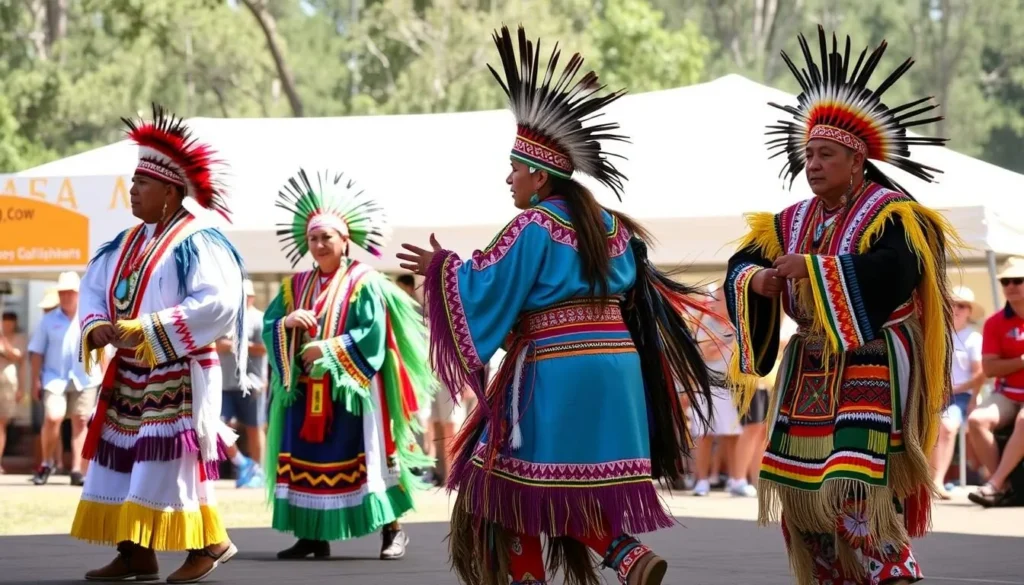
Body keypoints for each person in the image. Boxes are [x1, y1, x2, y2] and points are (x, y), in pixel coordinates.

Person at [398, 25, 715, 585]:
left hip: (556, 365)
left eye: (516, 169)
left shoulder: (534, 227)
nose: (509, 178)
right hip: (615, 365)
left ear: (540, 174)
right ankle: (627, 556)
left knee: (503, 484)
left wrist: (442, 268)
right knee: (570, 481)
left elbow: (487, 286)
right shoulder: (612, 227)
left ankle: (594, 562)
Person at [725, 27, 961, 585]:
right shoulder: (791, 220)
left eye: (825, 154)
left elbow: (894, 274)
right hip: (808, 368)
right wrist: (758, 281)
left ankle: (894, 575)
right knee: (804, 501)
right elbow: (740, 264)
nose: (813, 164)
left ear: (857, 160)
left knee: (855, 489)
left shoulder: (893, 214)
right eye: (807, 154)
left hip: (871, 361)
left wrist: (810, 268)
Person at [71, 104, 248, 583]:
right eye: (131, 184)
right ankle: (135, 552)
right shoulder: (125, 242)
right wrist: (97, 326)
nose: (131, 191)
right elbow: (93, 289)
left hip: (178, 370)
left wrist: (147, 329)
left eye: (141, 184)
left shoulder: (199, 240)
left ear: (170, 191)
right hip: (129, 371)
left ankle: (208, 544)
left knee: (172, 461)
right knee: (120, 458)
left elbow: (218, 302)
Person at [263, 168, 435, 561]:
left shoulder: (365, 281)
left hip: (352, 390)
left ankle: (393, 530)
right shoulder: (294, 287)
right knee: (307, 460)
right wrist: (286, 324)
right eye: (313, 238)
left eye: (327, 237)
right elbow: (270, 323)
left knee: (369, 459)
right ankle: (312, 534)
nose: (320, 244)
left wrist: (328, 350)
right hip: (307, 392)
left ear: (346, 240)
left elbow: (373, 335)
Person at [28, 271, 104, 487]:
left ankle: (77, 470)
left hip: (86, 378)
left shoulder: (90, 317)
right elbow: (36, 352)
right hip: (54, 378)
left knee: (81, 421)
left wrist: (107, 380)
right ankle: (46, 462)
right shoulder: (48, 321)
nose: (66, 297)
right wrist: (35, 380)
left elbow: (102, 352)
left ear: (79, 294)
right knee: (53, 417)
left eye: (70, 292)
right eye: (62, 293)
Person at [967, 258, 1024, 507]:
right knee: (976, 420)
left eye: (1018, 280)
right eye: (1005, 281)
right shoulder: (994, 322)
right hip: (1008, 393)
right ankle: (1005, 486)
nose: (1011, 286)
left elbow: (996, 365)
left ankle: (995, 482)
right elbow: (989, 369)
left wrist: (1010, 361)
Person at [690, 283, 746, 497]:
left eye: (721, 299)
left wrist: (728, 340)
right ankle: (701, 481)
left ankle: (736, 479)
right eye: (716, 298)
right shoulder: (704, 322)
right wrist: (727, 342)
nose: (716, 302)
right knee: (705, 434)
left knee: (732, 435)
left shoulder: (737, 323)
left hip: (731, 387)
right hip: (707, 386)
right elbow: (706, 353)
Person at [929, 286, 984, 499]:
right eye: (952, 303)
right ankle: (925, 481)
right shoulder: (937, 333)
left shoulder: (973, 338)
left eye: (962, 305)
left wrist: (962, 393)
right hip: (935, 396)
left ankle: (938, 482)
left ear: (969, 311)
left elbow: (980, 375)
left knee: (946, 426)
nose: (956, 309)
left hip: (961, 397)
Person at [219, 278, 268, 488]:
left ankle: (258, 471)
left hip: (253, 383)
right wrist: (240, 345)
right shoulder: (224, 319)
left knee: (254, 428)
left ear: (252, 297)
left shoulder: (259, 319)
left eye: (245, 296)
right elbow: (215, 345)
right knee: (218, 426)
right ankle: (242, 462)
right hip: (224, 383)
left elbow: (264, 348)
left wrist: (235, 345)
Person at [0, 311, 26, 474]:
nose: (7, 324)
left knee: (1, 424)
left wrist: (4, 342)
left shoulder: (19, 339)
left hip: (8, 383)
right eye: (5, 321)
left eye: (10, 322)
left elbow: (18, 357)